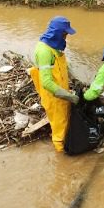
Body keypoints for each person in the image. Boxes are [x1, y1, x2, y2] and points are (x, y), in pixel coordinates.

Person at [30, 16, 79, 152]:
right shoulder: (44, 51)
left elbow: (62, 68)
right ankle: (61, 156)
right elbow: (46, 82)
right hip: (54, 97)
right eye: (64, 34)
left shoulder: (54, 47)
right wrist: (70, 97)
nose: (66, 37)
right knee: (59, 128)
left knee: (65, 123)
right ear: (57, 33)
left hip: (62, 93)